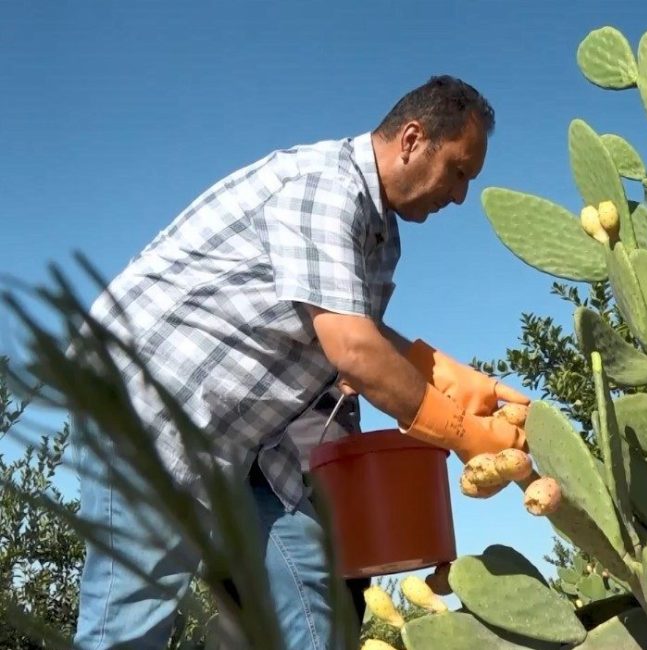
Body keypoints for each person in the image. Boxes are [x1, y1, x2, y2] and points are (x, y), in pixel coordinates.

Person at [70, 75, 530, 649]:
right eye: (458, 172)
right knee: (127, 625)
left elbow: (355, 332)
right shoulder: (323, 186)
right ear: (412, 139)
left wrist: (444, 372)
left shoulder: (380, 237)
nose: (460, 195)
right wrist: (465, 434)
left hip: (241, 443)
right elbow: (353, 350)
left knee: (308, 576)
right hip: (149, 407)